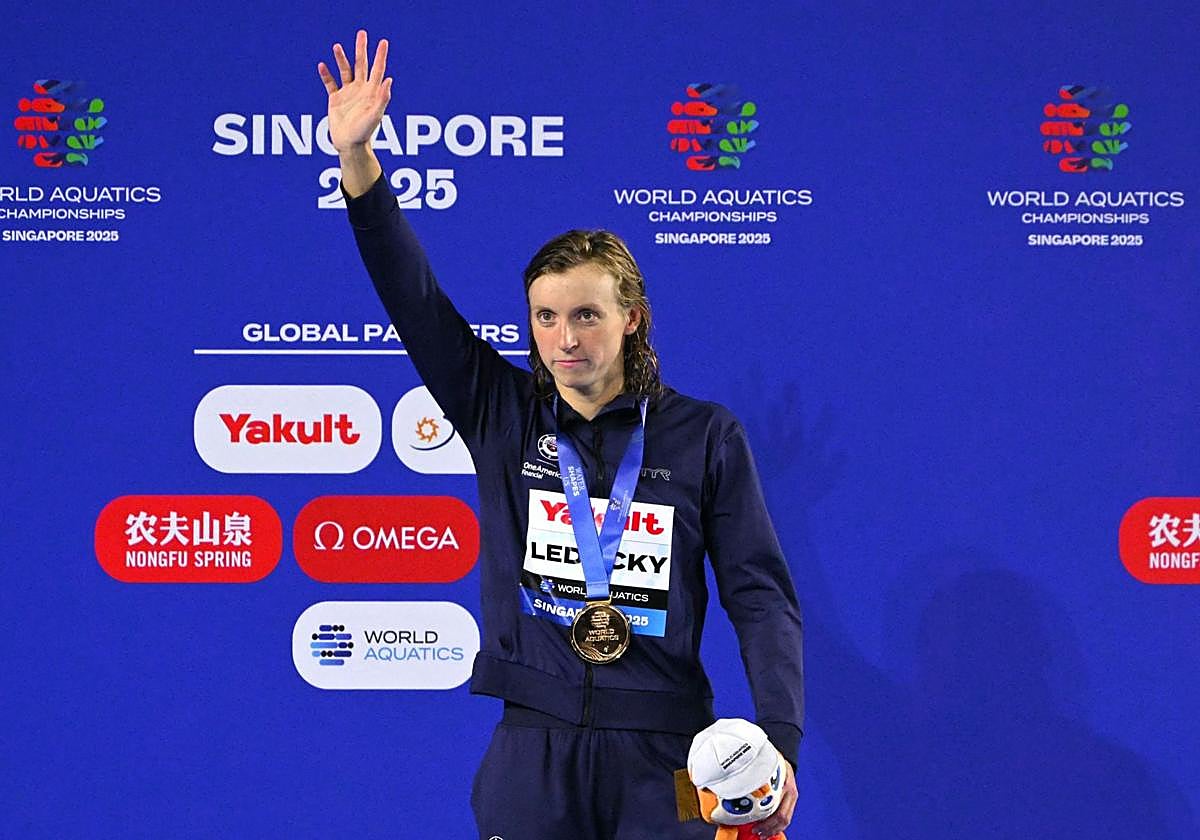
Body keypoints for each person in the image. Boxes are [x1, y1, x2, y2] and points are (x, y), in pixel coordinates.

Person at [318, 29, 804, 840]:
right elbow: (413, 297)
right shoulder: (498, 411)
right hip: (530, 751)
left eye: (586, 314)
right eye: (545, 316)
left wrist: (778, 742)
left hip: (669, 757)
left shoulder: (703, 436)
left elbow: (760, 598)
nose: (564, 337)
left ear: (631, 320)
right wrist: (358, 160)